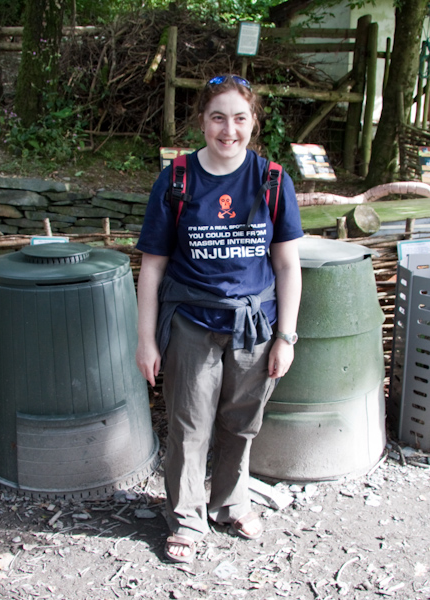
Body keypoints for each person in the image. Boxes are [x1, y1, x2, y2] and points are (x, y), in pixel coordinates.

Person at [135, 74, 303, 564]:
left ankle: (230, 503)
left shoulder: (273, 181)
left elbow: (287, 265)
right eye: (218, 118)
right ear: (202, 121)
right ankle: (186, 518)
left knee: (241, 421)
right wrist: (146, 340)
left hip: (255, 326)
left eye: (239, 118)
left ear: (253, 122)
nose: (228, 130)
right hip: (191, 322)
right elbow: (152, 267)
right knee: (189, 424)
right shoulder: (177, 179)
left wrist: (286, 337)